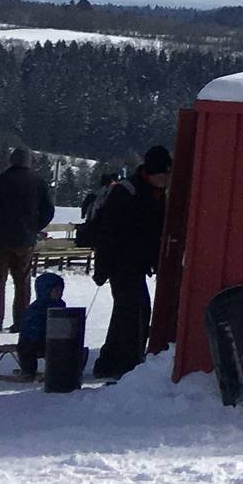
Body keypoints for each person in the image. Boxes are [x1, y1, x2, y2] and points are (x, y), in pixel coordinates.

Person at [82, 145, 170, 379]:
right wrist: (102, 268)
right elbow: (108, 233)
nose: (166, 179)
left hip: (136, 262)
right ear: (151, 172)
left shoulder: (154, 193)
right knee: (133, 310)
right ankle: (125, 364)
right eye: (163, 174)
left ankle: (110, 362)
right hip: (119, 262)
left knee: (131, 310)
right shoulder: (126, 192)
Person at [0, 147, 55, 333]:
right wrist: (34, 227)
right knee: (22, 282)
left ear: (11, 161)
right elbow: (48, 211)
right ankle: (21, 321)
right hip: (24, 239)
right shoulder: (38, 182)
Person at [14, 271, 65, 379]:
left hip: (54, 340)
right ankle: (28, 371)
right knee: (26, 348)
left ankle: (64, 368)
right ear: (45, 291)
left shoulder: (61, 305)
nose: (59, 293)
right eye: (55, 290)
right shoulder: (36, 308)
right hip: (35, 341)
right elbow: (28, 328)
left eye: (60, 290)